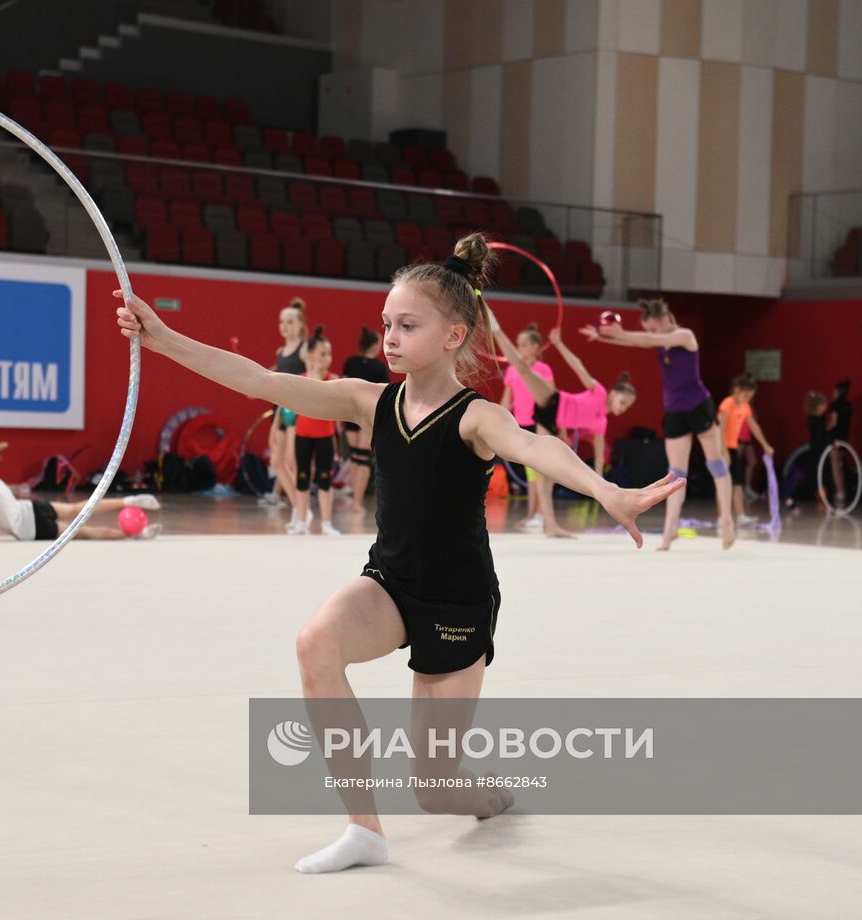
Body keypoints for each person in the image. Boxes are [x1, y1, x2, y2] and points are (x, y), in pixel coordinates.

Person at [113, 231, 683, 874]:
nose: (389, 337)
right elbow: (261, 381)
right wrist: (164, 339)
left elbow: (535, 446)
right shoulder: (369, 400)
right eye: (386, 323)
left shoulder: (476, 417)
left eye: (407, 326)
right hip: (389, 583)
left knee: (435, 789)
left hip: (457, 603)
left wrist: (607, 491)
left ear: (454, 335)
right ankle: (364, 830)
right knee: (315, 645)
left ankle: (491, 797)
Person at [581, 298, 735, 550]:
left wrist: (619, 334)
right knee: (676, 474)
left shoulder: (685, 335)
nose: (651, 333)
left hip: (698, 406)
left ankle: (726, 519)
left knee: (715, 463)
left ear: (664, 319)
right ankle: (669, 531)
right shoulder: (659, 339)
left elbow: (647, 339)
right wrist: (603, 336)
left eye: (652, 328)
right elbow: (641, 341)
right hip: (675, 411)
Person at [490, 320, 637, 536]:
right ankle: (496, 330)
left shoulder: (601, 423)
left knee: (546, 473)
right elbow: (578, 366)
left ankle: (550, 525)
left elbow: (599, 456)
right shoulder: (599, 392)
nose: (622, 409)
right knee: (523, 369)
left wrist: (600, 487)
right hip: (553, 402)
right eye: (623, 402)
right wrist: (559, 344)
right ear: (614, 393)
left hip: (550, 423)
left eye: (627, 407)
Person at [0, 442, 161, 542]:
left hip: (34, 528)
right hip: (32, 508)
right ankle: (128, 500)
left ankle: (132, 534)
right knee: (76, 508)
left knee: (84, 532)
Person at [499, 324, 554, 530]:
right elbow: (506, 401)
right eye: (518, 345)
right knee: (531, 475)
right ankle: (532, 515)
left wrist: (561, 430)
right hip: (521, 426)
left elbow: (552, 399)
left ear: (536, 347)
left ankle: (541, 514)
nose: (519, 348)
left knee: (542, 473)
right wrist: (499, 424)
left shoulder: (543, 369)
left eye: (524, 345)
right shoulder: (512, 370)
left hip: (541, 425)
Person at [289, 326, 342, 535]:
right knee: (302, 478)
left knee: (324, 480)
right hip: (302, 435)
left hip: (325, 437)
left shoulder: (333, 379)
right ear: (310, 354)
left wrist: (320, 375)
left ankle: (326, 523)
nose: (327, 358)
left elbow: (334, 405)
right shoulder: (301, 379)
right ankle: (301, 521)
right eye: (322, 354)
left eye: (329, 354)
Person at [260, 298, 308, 509]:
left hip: (298, 410)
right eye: (282, 322)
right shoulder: (280, 352)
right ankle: (297, 507)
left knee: (293, 461)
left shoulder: (305, 350)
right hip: (280, 409)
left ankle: (301, 508)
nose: (285, 326)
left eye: (290, 322)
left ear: (300, 325)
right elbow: (275, 375)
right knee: (277, 460)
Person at [341, 327, 390, 513]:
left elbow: (343, 387)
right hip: (367, 414)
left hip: (348, 413)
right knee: (362, 459)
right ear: (375, 345)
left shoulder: (350, 362)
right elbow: (383, 394)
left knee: (355, 457)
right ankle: (356, 501)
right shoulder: (379, 367)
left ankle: (355, 498)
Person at [717, 375, 775, 526]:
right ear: (737, 390)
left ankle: (741, 516)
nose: (748, 399)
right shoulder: (727, 404)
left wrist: (765, 445)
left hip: (733, 447)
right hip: (721, 448)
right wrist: (723, 451)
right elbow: (720, 429)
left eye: (750, 397)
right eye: (746, 395)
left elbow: (754, 426)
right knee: (722, 483)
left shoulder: (745, 407)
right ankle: (722, 517)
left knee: (737, 483)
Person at [827, 379, 853, 506]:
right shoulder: (848, 405)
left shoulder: (835, 405)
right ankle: (842, 491)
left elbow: (834, 422)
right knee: (840, 466)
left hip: (835, 438)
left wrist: (824, 430)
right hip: (844, 438)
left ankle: (840, 491)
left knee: (835, 466)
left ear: (837, 391)